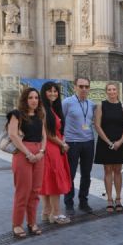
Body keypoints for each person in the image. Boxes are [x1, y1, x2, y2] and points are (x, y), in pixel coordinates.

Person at [7, 88, 46, 238]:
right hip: (23, 153)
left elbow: (44, 136)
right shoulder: (17, 114)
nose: (34, 100)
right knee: (23, 191)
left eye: (36, 97)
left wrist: (41, 152)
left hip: (39, 154)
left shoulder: (39, 115)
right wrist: (28, 153)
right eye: (30, 97)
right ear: (25, 99)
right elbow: (13, 134)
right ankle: (17, 224)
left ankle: (31, 222)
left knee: (35, 191)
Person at [39, 82, 72, 225]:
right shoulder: (44, 109)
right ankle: (56, 214)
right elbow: (49, 133)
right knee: (54, 181)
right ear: (44, 92)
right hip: (52, 148)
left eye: (55, 91)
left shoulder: (50, 108)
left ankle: (46, 212)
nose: (53, 93)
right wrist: (62, 144)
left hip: (50, 148)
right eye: (50, 91)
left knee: (47, 180)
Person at [94, 82, 123, 213]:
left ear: (117, 91)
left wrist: (120, 141)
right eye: (109, 89)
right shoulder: (100, 105)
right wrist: (109, 142)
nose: (112, 92)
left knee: (118, 171)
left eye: (114, 89)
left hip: (120, 141)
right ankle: (109, 199)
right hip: (105, 141)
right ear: (106, 91)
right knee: (108, 171)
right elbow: (97, 125)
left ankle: (118, 198)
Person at [62, 77, 95, 214]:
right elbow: (60, 122)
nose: (84, 89)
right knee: (70, 174)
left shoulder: (91, 104)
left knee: (86, 174)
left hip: (89, 142)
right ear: (75, 87)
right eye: (81, 86)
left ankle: (83, 201)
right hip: (72, 142)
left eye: (86, 87)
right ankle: (69, 202)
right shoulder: (67, 103)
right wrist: (62, 141)